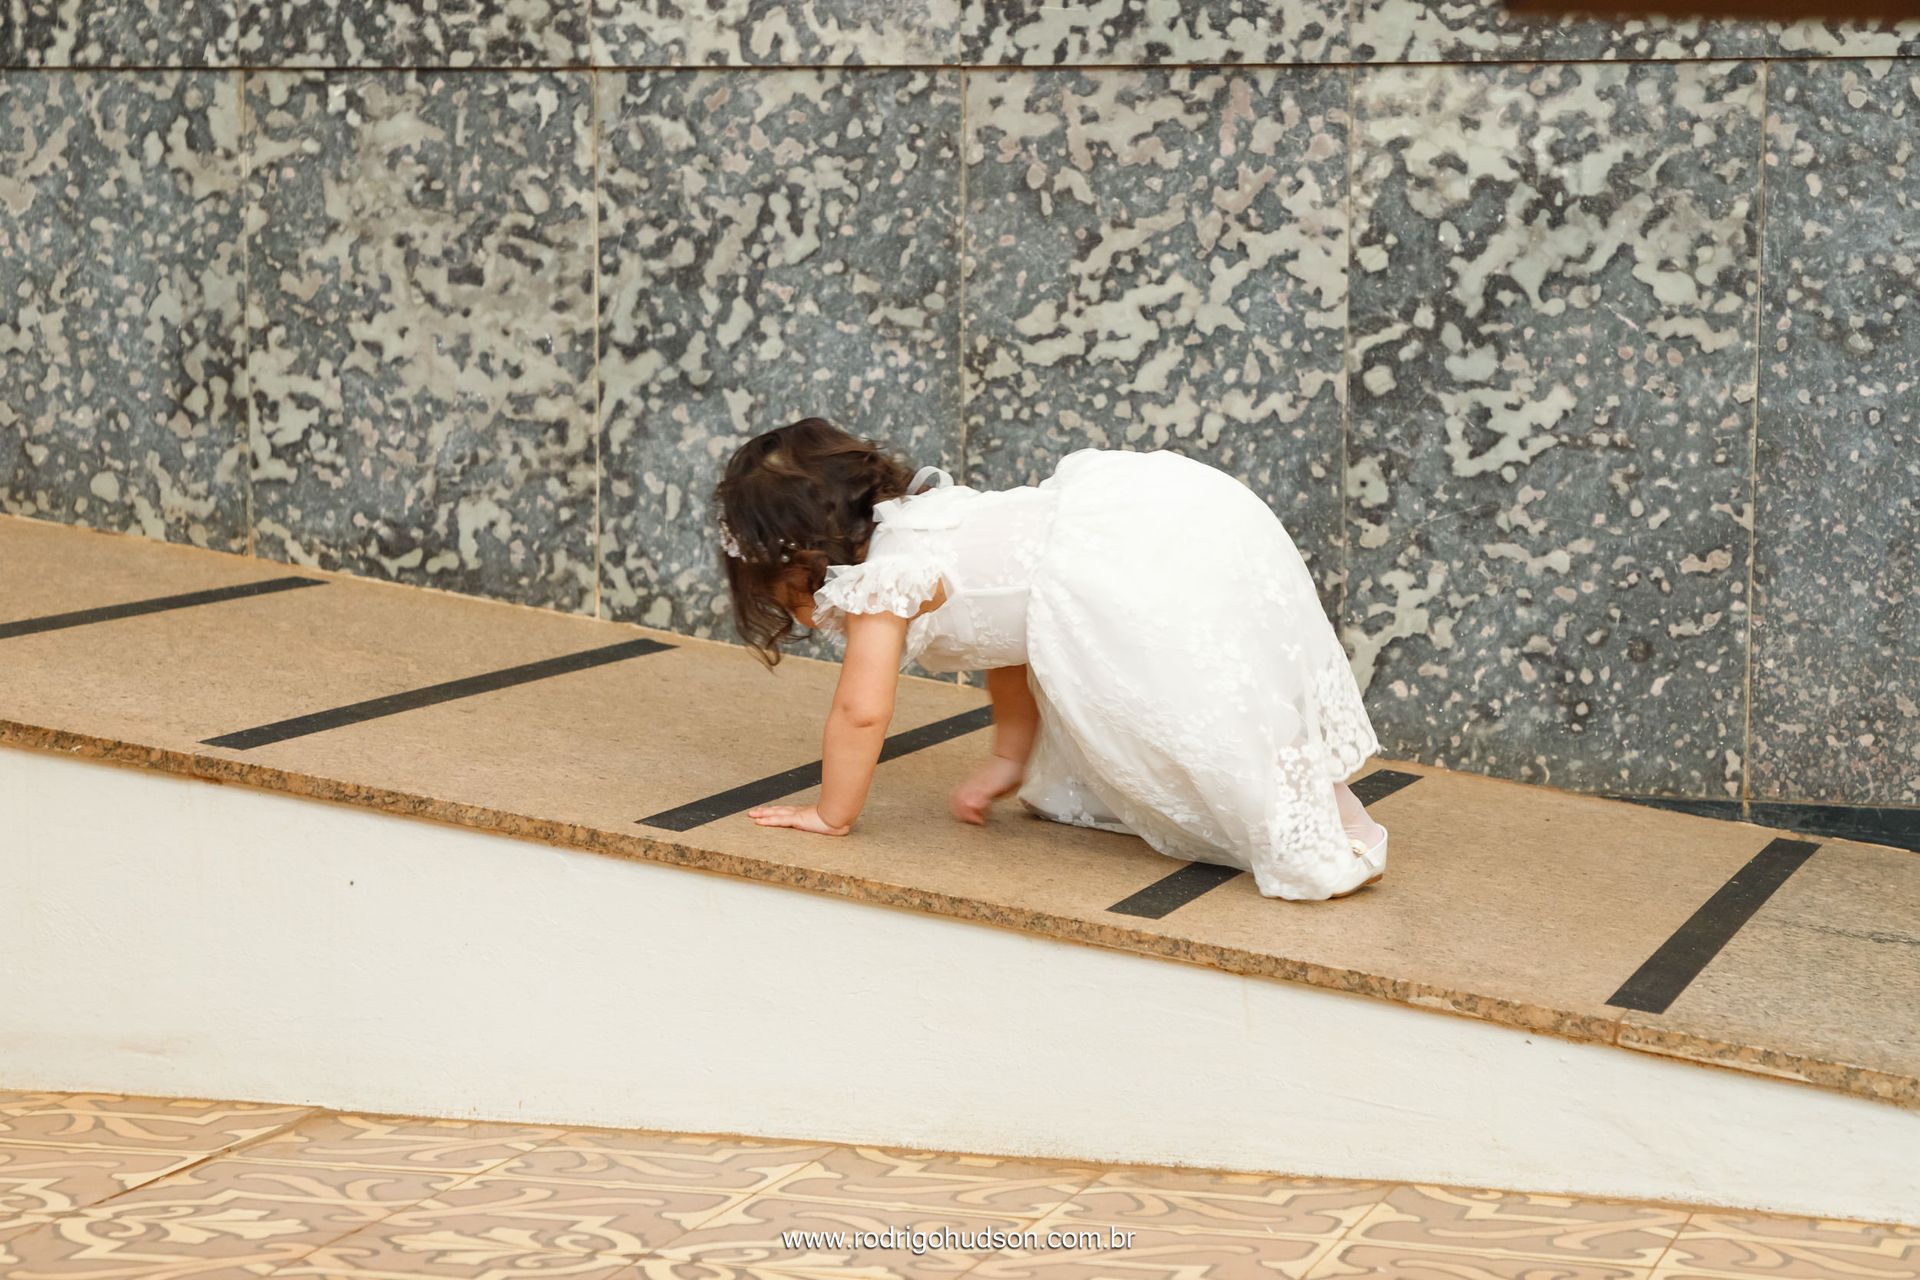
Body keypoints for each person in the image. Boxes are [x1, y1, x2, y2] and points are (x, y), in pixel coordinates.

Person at [712, 417, 1390, 901]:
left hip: (1128, 564)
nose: (800, 611)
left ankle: (1326, 829)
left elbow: (862, 712)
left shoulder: (886, 581)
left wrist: (832, 815)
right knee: (1219, 703)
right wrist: (1009, 757)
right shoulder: (924, 525)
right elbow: (1005, 645)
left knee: (1204, 714)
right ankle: (1323, 815)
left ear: (807, 559)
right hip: (1147, 523)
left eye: (784, 593)